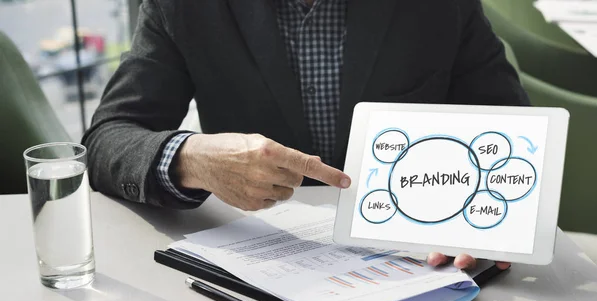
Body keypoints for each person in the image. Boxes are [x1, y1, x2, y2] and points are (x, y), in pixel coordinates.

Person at [83, 0, 527, 270]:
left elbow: (512, 127)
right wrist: (191, 157)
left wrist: (487, 216)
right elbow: (107, 138)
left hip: (421, 264)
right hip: (259, 270)